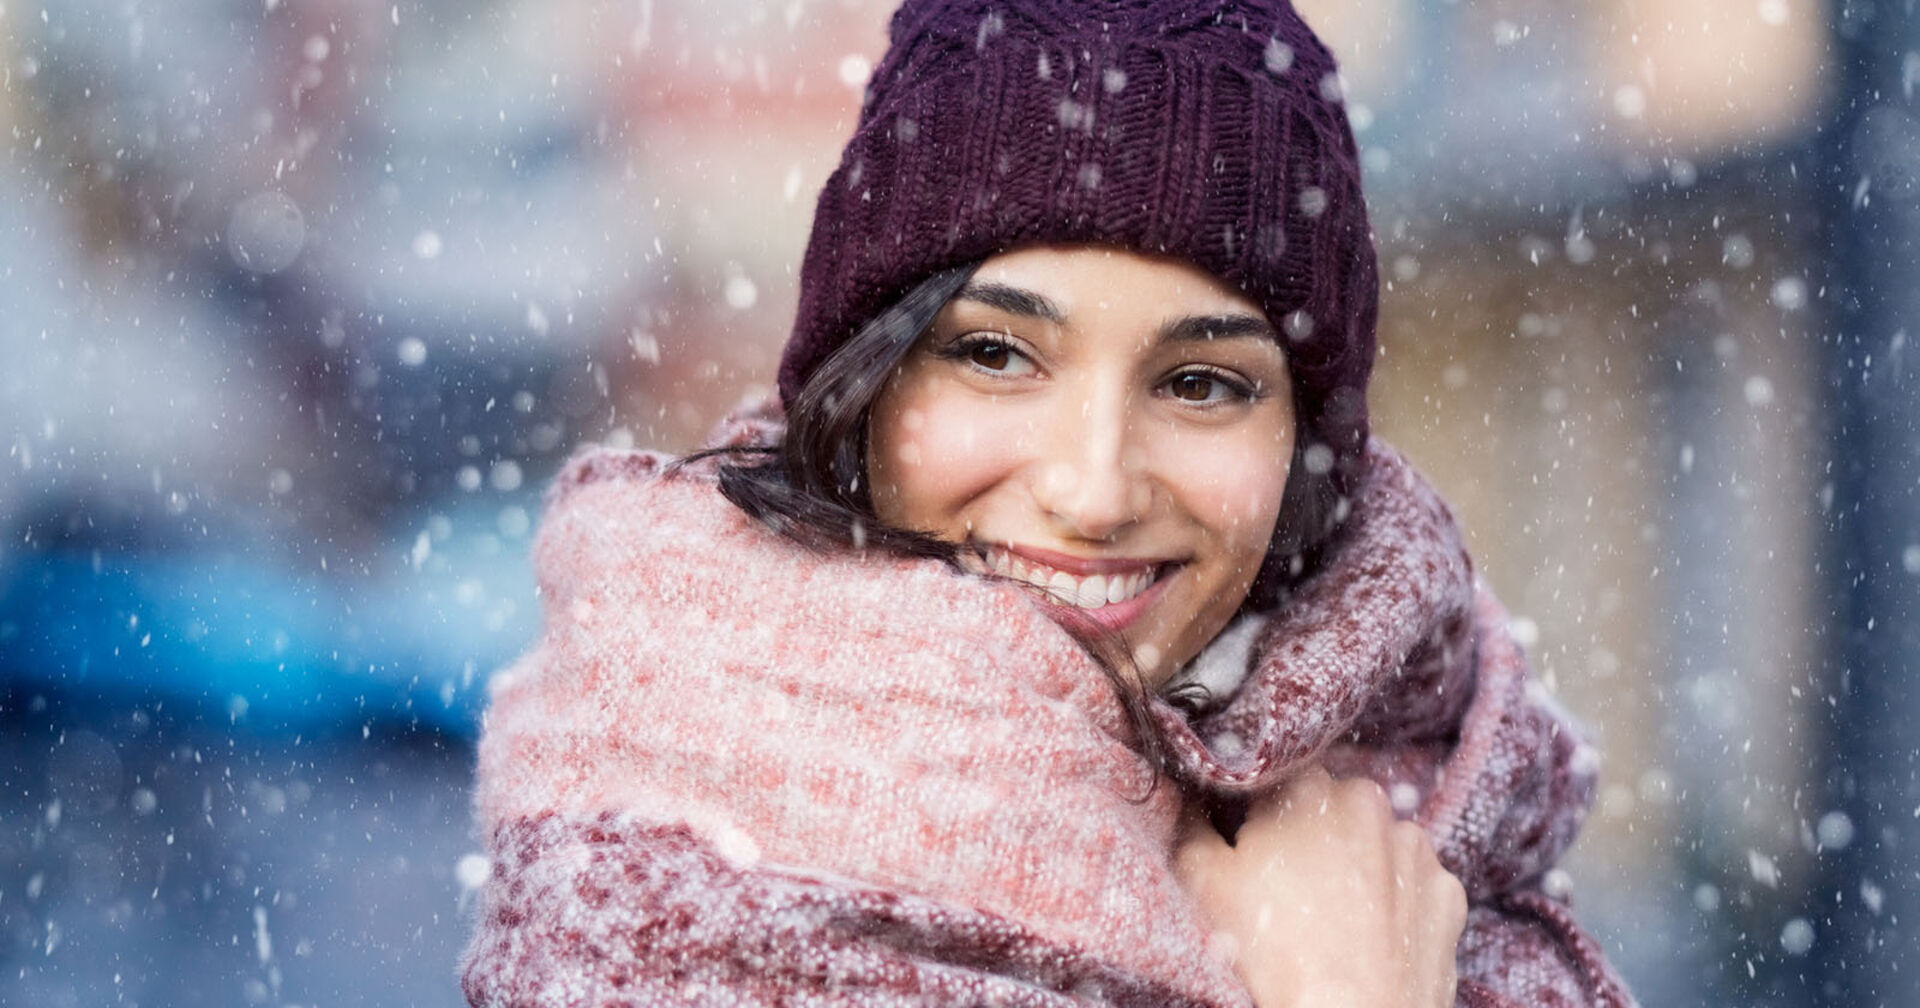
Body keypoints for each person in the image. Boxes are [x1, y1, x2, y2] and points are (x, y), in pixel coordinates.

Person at [461, 1, 1638, 1005]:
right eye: (994, 355)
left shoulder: (1417, 827)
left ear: (1302, 446)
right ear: (864, 381)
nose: (1092, 488)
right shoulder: (662, 871)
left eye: (1200, 382)